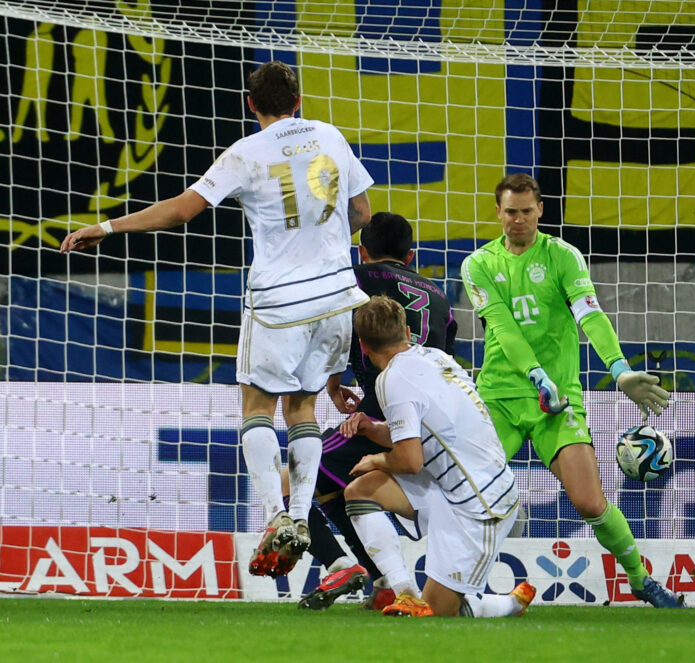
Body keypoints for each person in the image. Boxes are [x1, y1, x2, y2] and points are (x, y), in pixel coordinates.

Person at [60, 60, 374, 578]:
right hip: (339, 294)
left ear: (251, 105)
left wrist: (108, 227)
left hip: (279, 299)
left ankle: (278, 517)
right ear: (298, 101)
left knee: (257, 406)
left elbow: (184, 211)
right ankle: (300, 515)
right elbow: (361, 213)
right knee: (303, 409)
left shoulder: (245, 154)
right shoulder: (329, 135)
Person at [459, 173, 680, 608]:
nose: (518, 220)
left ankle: (640, 580)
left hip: (558, 403)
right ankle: (460, 587)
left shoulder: (563, 256)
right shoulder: (478, 265)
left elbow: (590, 315)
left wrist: (619, 371)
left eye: (526, 211)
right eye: (510, 212)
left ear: (540, 210)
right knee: (471, 498)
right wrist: (537, 376)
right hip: (499, 398)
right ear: (497, 213)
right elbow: (502, 328)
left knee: (589, 501)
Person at [284, 211, 458, 610]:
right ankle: (380, 580)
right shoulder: (441, 298)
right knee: (334, 488)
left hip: (382, 413)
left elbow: (333, 327)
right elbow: (444, 363)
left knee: (286, 485)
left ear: (362, 250)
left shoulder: (355, 278)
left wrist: (331, 380)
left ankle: (342, 566)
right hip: (428, 420)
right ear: (411, 256)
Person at [339, 295, 535, 618]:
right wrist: (371, 428)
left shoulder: (390, 379)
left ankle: (509, 604)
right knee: (360, 492)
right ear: (406, 331)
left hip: (481, 504)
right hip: (452, 486)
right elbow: (416, 437)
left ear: (363, 345)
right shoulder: (433, 356)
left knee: (441, 614)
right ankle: (406, 593)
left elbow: (410, 460)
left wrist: (376, 459)